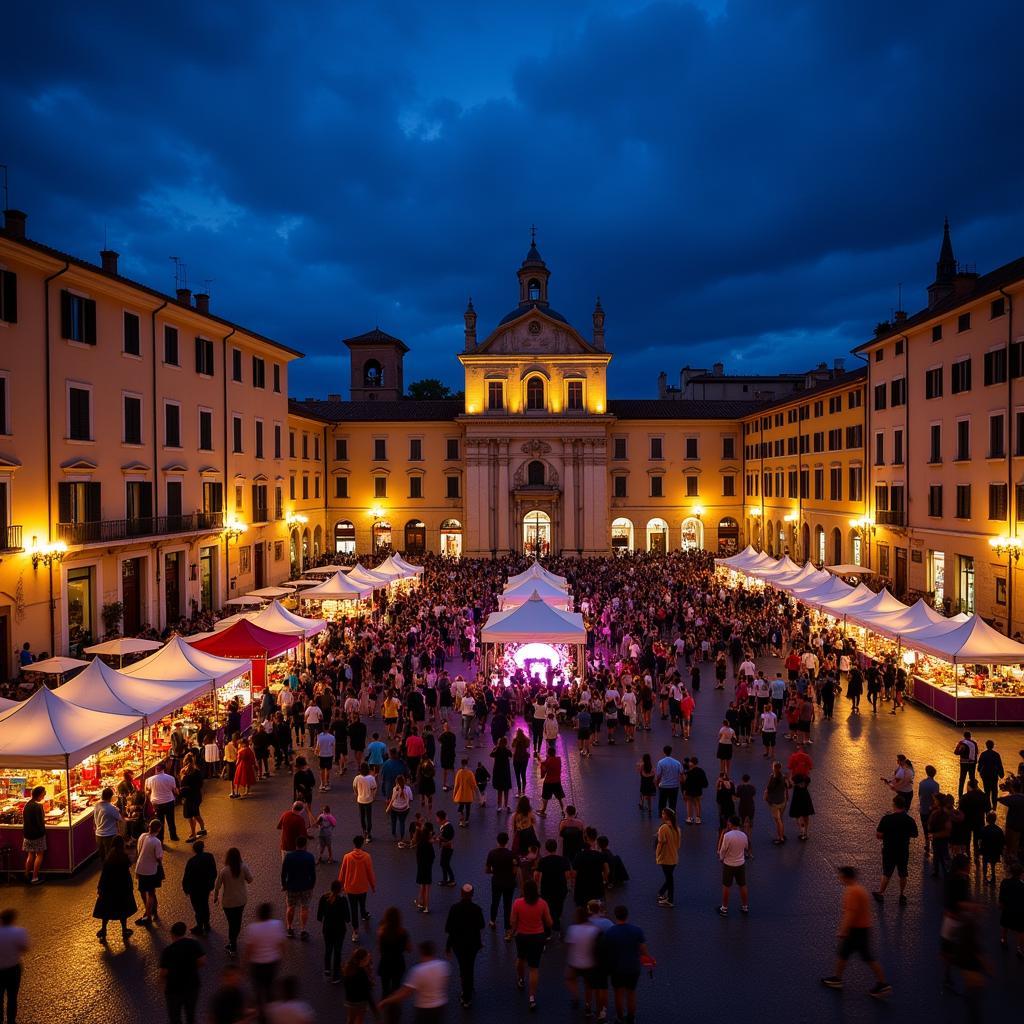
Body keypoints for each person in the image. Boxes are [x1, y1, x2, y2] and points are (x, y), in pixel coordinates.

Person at [821, 866, 892, 997]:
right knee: (854, 955)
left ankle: (881, 984)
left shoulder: (851, 892)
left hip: (856, 930)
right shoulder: (860, 889)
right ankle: (881, 983)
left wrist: (843, 930)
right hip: (863, 928)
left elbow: (850, 914)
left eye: (840, 876)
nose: (839, 878)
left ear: (846, 877)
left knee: (858, 955)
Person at [378, 939, 451, 1023]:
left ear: (421, 952)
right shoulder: (444, 965)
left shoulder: (418, 971)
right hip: (440, 1006)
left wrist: (386, 1001)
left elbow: (404, 993)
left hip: (424, 1008)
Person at [511, 879, 553, 1011]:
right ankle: (532, 997)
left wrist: (513, 932)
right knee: (534, 968)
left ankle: (521, 979)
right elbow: (550, 923)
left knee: (520, 958)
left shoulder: (517, 903)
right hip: (537, 937)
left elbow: (513, 922)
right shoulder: (542, 903)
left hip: (522, 936)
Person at [603, 905, 649, 1024]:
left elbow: (606, 951)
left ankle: (619, 1017)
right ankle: (631, 1018)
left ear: (615, 915)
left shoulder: (610, 932)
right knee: (631, 993)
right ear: (627, 915)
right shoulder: (637, 930)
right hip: (633, 967)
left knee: (618, 993)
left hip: (617, 968)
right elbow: (644, 951)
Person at [242, 902, 287, 1020]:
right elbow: (281, 945)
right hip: (272, 963)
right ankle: (270, 1012)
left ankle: (260, 1014)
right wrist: (281, 957)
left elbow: (249, 951)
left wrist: (244, 965)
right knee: (269, 987)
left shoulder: (252, 929)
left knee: (257, 988)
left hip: (256, 965)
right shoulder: (277, 925)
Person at [444, 883, 485, 1008]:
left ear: (461, 894)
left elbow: (449, 929)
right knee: (470, 966)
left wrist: (448, 946)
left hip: (458, 944)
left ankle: (465, 995)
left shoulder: (454, 908)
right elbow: (482, 925)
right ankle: (469, 988)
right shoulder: (477, 909)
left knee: (463, 967)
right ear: (472, 895)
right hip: (472, 944)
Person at [873, 795, 918, 905]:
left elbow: (879, 835)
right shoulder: (909, 820)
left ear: (894, 805)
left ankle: (881, 893)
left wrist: (887, 835)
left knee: (887, 873)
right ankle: (902, 894)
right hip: (903, 850)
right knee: (903, 873)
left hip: (889, 850)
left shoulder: (886, 819)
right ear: (904, 806)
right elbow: (915, 834)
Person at [160, 920, 206, 1024]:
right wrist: (193, 968)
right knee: (190, 1014)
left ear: (172, 934)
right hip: (192, 986)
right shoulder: (194, 944)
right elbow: (202, 961)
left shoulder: (168, 951)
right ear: (184, 932)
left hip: (174, 990)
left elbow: (163, 972)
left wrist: (162, 986)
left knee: (175, 1017)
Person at [93, 835, 137, 943]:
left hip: (109, 888)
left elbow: (104, 874)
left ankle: (103, 929)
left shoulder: (109, 858)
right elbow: (128, 870)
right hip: (122, 888)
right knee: (123, 910)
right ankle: (124, 930)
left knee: (106, 910)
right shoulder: (124, 857)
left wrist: (100, 887)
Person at [214, 847, 253, 955]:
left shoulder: (224, 871)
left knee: (231, 922)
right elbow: (250, 880)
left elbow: (217, 886)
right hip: (241, 900)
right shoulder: (243, 867)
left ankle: (233, 944)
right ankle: (233, 941)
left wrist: (215, 897)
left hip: (228, 902)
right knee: (237, 921)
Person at [339, 835, 377, 943]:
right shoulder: (367, 857)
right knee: (362, 902)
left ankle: (355, 932)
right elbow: (370, 873)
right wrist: (373, 886)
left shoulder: (347, 857)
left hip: (350, 888)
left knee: (353, 909)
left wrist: (340, 886)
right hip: (362, 886)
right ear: (362, 844)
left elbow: (342, 872)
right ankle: (364, 914)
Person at [281, 835, 318, 939]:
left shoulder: (289, 857)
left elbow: (283, 873)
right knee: (304, 908)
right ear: (305, 845)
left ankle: (289, 927)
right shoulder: (310, 857)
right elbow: (313, 874)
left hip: (292, 886)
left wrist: (284, 885)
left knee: (290, 907)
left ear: (296, 845)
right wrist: (312, 885)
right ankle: (303, 930)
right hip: (306, 886)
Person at [317, 879, 351, 984]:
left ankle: (327, 969)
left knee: (328, 949)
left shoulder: (324, 898)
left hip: (327, 928)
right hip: (339, 930)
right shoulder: (343, 900)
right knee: (337, 951)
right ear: (340, 889)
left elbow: (319, 916)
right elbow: (347, 918)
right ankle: (336, 975)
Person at [182, 838, 218, 936]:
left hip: (195, 889)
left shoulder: (191, 861)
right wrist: (211, 884)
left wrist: (186, 888)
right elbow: (213, 872)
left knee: (197, 908)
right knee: (205, 905)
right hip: (205, 887)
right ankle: (206, 924)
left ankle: (199, 926)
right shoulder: (209, 857)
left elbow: (187, 876)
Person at [485, 832, 517, 937]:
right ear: (507, 841)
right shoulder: (512, 854)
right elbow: (514, 871)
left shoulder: (492, 853)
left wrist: (494, 871)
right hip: (509, 882)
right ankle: (507, 928)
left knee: (495, 901)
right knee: (507, 905)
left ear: (497, 841)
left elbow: (487, 870)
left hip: (497, 881)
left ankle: (492, 920)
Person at [377, 906, 412, 1001]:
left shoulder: (382, 933)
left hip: (385, 963)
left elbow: (379, 949)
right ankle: (394, 1005)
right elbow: (409, 949)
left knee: (385, 988)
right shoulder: (403, 932)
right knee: (396, 986)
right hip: (398, 963)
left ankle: (385, 1003)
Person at [717, 815, 749, 916]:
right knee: (742, 885)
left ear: (730, 824)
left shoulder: (727, 836)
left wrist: (721, 858)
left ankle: (724, 908)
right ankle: (745, 906)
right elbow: (746, 847)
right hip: (740, 863)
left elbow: (723, 850)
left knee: (726, 886)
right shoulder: (744, 835)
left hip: (729, 864)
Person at [136, 818, 165, 925]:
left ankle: (148, 910)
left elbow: (138, 851)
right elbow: (159, 857)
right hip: (151, 870)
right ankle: (149, 914)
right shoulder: (156, 842)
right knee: (151, 893)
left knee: (142, 890)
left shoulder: (142, 836)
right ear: (158, 829)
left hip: (140, 868)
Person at [146, 764, 180, 841]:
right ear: (164, 769)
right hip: (169, 801)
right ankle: (173, 836)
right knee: (171, 820)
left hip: (157, 803)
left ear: (156, 770)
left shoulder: (149, 780)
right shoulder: (171, 778)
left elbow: (147, 791)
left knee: (160, 822)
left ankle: (160, 839)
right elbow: (174, 790)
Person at [342, 948, 376, 1024]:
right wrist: (374, 1010)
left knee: (350, 1019)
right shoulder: (362, 974)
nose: (369, 960)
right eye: (367, 959)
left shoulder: (348, 968)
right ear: (361, 961)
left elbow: (346, 985)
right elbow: (367, 992)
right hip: (361, 1001)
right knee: (359, 1020)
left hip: (350, 1000)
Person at [21, 786, 46, 884]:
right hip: (37, 835)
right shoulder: (38, 806)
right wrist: (43, 831)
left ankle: (26, 875)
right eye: (44, 793)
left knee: (30, 855)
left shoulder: (27, 804)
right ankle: (35, 878)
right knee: (39, 855)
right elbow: (41, 822)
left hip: (27, 835)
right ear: (39, 794)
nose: (45, 794)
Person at [655, 808, 680, 907]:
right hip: (674, 857)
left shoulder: (663, 828)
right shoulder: (677, 828)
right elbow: (678, 845)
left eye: (663, 813)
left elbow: (660, 843)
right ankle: (661, 893)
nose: (662, 815)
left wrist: (657, 855)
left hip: (666, 858)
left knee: (669, 879)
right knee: (669, 877)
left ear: (667, 816)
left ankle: (670, 900)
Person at [998, 861, 1024, 956]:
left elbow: (1001, 897)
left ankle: (1004, 940)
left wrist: (1001, 905)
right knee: (1021, 930)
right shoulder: (1022, 886)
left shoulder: (1005, 882)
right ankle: (1020, 949)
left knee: (1005, 925)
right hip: (1019, 911)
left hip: (1007, 909)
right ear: (1021, 873)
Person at [93, 786, 123, 862]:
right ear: (111, 797)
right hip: (109, 835)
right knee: (110, 856)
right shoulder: (111, 808)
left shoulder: (97, 805)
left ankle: (105, 870)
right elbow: (120, 818)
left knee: (102, 856)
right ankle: (110, 871)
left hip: (98, 834)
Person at [918, 764, 940, 857]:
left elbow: (919, 795)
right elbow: (936, 798)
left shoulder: (922, 783)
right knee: (932, 826)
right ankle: (933, 842)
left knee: (924, 825)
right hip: (931, 809)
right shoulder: (935, 785)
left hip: (923, 807)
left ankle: (927, 842)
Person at [414, 821, 436, 914]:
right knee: (427, 888)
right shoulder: (428, 844)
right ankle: (426, 907)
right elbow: (432, 856)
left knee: (422, 886)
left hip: (420, 866)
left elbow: (417, 856)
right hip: (427, 867)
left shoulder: (420, 843)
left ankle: (420, 902)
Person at [353, 763, 378, 841]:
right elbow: (374, 787)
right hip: (369, 800)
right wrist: (373, 796)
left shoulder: (357, 778)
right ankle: (369, 833)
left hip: (360, 799)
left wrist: (356, 793)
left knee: (362, 817)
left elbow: (354, 786)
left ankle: (364, 831)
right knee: (369, 817)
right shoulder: (371, 778)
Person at [682, 755, 709, 824]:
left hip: (689, 790)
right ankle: (698, 818)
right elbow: (705, 782)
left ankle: (689, 818)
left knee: (689, 803)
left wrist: (684, 791)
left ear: (692, 763)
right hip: (698, 790)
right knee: (697, 803)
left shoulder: (689, 772)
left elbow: (686, 783)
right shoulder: (701, 771)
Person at [655, 745, 681, 814]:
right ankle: (672, 815)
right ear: (671, 752)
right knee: (672, 803)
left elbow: (658, 775)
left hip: (664, 786)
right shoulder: (677, 763)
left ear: (664, 752)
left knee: (662, 802)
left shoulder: (660, 762)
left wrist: (657, 784)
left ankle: (662, 814)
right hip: (674, 786)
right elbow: (681, 773)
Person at [452, 759, 479, 827]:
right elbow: (474, 785)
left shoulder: (459, 773)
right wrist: (477, 793)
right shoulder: (470, 773)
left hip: (460, 794)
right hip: (468, 795)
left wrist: (454, 795)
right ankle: (467, 820)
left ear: (461, 764)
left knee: (460, 808)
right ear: (467, 763)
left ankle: (461, 820)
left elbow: (456, 785)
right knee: (468, 808)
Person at [954, 730, 979, 799]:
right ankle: (973, 796)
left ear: (964, 736)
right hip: (972, 763)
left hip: (964, 763)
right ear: (970, 736)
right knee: (972, 779)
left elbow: (956, 752)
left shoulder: (962, 743)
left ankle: (960, 796)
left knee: (962, 779)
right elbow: (977, 752)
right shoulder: (974, 743)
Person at [436, 811, 456, 886]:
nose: (436, 819)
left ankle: (450, 880)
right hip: (446, 848)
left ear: (440, 818)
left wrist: (439, 839)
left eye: (437, 818)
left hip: (447, 848)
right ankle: (448, 879)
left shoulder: (447, 827)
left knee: (445, 864)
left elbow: (447, 839)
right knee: (444, 864)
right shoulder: (446, 825)